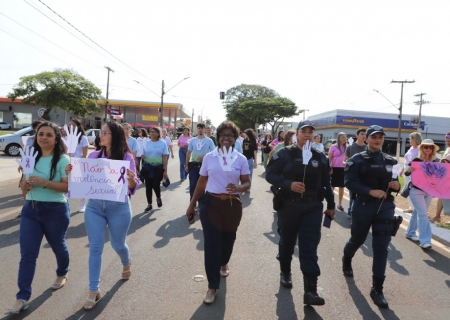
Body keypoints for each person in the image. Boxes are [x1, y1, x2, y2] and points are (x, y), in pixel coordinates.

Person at [265, 120, 335, 306]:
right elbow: (270, 175)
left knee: (309, 247)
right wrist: (289, 184)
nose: (307, 135)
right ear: (297, 134)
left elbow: (327, 183)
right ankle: (285, 271)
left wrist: (331, 204)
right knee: (287, 242)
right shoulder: (284, 154)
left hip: (313, 207)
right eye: (304, 131)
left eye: (311, 132)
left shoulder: (320, 156)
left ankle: (310, 290)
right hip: (289, 205)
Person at [6, 122, 71, 315]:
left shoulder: (62, 159)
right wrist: (25, 188)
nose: (43, 137)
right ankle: (22, 298)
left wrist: (45, 182)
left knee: (58, 245)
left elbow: (67, 188)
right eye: (40, 134)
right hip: (30, 210)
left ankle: (62, 272)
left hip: (56, 210)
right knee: (27, 256)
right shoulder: (29, 157)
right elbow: (25, 192)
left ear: (56, 138)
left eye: (49, 135)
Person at [185, 120, 251, 304]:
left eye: (230, 135)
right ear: (218, 137)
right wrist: (192, 205)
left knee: (228, 241)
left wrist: (238, 187)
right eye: (223, 135)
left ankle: (224, 262)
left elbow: (247, 182)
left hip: (232, 205)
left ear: (235, 138)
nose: (226, 138)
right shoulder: (209, 157)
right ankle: (212, 286)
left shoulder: (241, 159)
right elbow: (201, 182)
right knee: (212, 244)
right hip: (210, 203)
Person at [78, 121, 139, 311]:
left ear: (115, 135)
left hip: (118, 207)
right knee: (95, 248)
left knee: (117, 244)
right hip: (94, 207)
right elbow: (82, 179)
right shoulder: (94, 155)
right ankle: (93, 290)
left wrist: (130, 180)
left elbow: (133, 186)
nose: (100, 135)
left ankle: (126, 261)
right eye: (101, 132)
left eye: (105, 132)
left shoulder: (127, 158)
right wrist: (71, 173)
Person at [342, 125, 401, 308]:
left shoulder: (391, 160)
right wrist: (370, 191)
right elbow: (348, 182)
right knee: (357, 240)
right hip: (363, 206)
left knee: (381, 248)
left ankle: (377, 289)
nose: (377, 139)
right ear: (366, 139)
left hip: (386, 208)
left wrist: (396, 187)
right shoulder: (356, 159)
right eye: (373, 136)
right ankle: (347, 259)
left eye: (380, 137)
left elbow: (397, 183)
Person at [404, 139, 440, 249]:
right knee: (423, 214)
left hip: (429, 192)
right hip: (416, 191)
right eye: (426, 147)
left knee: (417, 212)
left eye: (430, 147)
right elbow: (406, 173)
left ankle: (410, 232)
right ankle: (425, 241)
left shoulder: (435, 161)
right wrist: (409, 170)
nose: (428, 149)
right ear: (422, 148)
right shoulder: (416, 160)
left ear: (433, 149)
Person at [141, 127, 169, 212]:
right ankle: (149, 204)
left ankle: (158, 197)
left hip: (158, 167)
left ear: (158, 134)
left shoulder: (163, 143)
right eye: (151, 132)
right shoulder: (146, 142)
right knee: (148, 186)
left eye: (154, 132)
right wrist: (143, 156)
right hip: (148, 167)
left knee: (155, 185)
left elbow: (164, 157)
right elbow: (142, 153)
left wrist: (165, 171)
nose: (152, 133)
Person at [186, 123, 215, 201]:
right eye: (199, 128)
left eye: (202, 128)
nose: (200, 130)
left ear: (204, 130)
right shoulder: (193, 140)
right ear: (197, 129)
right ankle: (192, 203)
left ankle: (201, 203)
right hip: (193, 165)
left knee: (202, 186)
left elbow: (214, 153)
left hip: (204, 166)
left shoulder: (209, 141)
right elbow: (188, 152)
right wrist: (186, 165)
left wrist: (204, 156)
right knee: (193, 185)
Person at [344, 128, 367, 218]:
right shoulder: (350, 147)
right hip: (353, 177)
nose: (364, 136)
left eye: (365, 134)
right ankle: (351, 212)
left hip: (364, 177)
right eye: (361, 134)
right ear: (357, 135)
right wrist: (347, 163)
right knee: (353, 195)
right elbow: (344, 161)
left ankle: (358, 213)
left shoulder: (367, 148)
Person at [68, 119, 89, 213]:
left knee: (81, 185)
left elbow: (85, 154)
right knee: (66, 183)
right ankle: (64, 203)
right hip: (68, 163)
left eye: (72, 125)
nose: (70, 126)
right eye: (69, 125)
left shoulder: (83, 138)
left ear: (78, 126)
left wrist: (82, 164)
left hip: (79, 163)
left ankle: (82, 205)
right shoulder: (67, 137)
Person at [430, 131, 450, 222]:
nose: (448, 143)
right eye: (447, 141)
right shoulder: (448, 149)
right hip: (445, 177)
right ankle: (437, 216)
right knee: (441, 196)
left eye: (449, 141)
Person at [401, 132, 423, 214]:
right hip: (407, 170)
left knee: (411, 189)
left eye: (411, 139)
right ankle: (412, 207)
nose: (409, 140)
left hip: (414, 171)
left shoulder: (420, 149)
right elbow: (406, 161)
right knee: (408, 188)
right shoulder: (411, 148)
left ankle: (415, 207)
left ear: (415, 140)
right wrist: (402, 170)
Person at [328, 132, 347, 212]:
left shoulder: (347, 147)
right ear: (338, 138)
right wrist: (330, 168)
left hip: (343, 169)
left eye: (345, 137)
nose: (344, 138)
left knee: (342, 187)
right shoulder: (333, 147)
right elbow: (329, 159)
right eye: (343, 137)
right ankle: (330, 203)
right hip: (334, 169)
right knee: (332, 186)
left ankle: (340, 204)